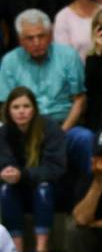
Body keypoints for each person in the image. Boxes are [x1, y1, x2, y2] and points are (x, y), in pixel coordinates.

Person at [0, 9, 93, 179]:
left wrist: (60, 133)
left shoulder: (68, 56)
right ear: (20, 40)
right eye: (30, 38)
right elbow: (5, 105)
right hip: (25, 130)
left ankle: (89, 196)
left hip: (64, 125)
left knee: (85, 138)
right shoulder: (9, 61)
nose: (37, 42)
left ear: (50, 35)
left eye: (41, 36)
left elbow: (79, 100)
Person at [0, 87, 65, 252]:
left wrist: (23, 175)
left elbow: (55, 168)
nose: (21, 111)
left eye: (26, 106)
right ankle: (16, 251)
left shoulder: (50, 128)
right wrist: (5, 171)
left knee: (43, 187)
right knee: (6, 190)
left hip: (49, 188)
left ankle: (42, 248)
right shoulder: (3, 133)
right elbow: (4, 162)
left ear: (34, 108)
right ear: (8, 110)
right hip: (17, 189)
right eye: (16, 107)